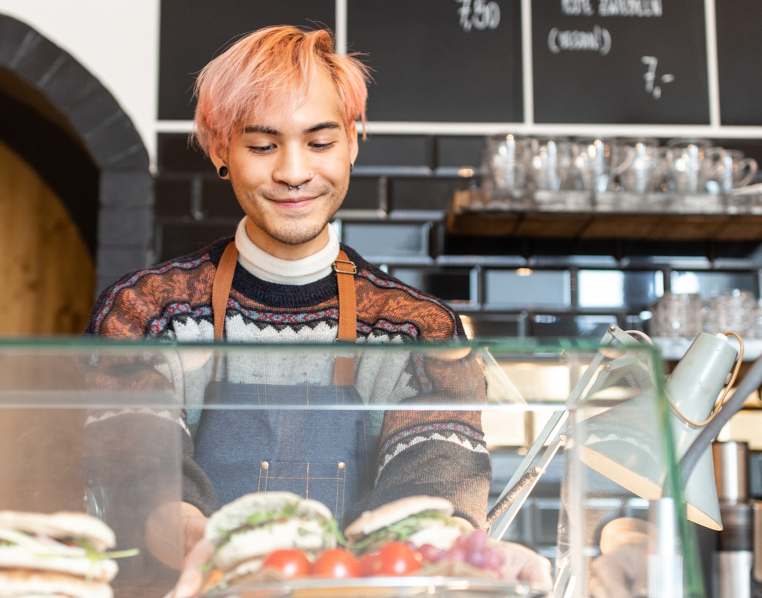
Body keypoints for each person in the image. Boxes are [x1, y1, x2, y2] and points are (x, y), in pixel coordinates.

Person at [83, 25, 550, 595]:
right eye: (262, 146)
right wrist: (210, 552)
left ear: (353, 141)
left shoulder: (418, 329)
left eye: (321, 143)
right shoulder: (146, 310)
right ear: (219, 149)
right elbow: (140, 481)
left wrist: (463, 551)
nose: (294, 172)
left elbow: (433, 485)